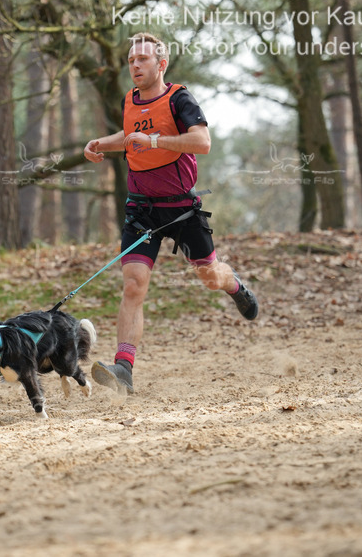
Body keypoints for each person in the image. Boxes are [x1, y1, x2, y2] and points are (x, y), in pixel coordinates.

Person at [82, 32, 258, 396]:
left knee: (209, 276)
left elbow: (202, 142)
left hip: (181, 210)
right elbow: (131, 135)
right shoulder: (129, 100)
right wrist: (103, 144)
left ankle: (234, 285)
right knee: (133, 284)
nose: (135, 65)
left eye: (143, 59)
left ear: (161, 64)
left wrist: (158, 141)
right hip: (141, 208)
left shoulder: (179, 98)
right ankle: (124, 368)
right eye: (131, 60)